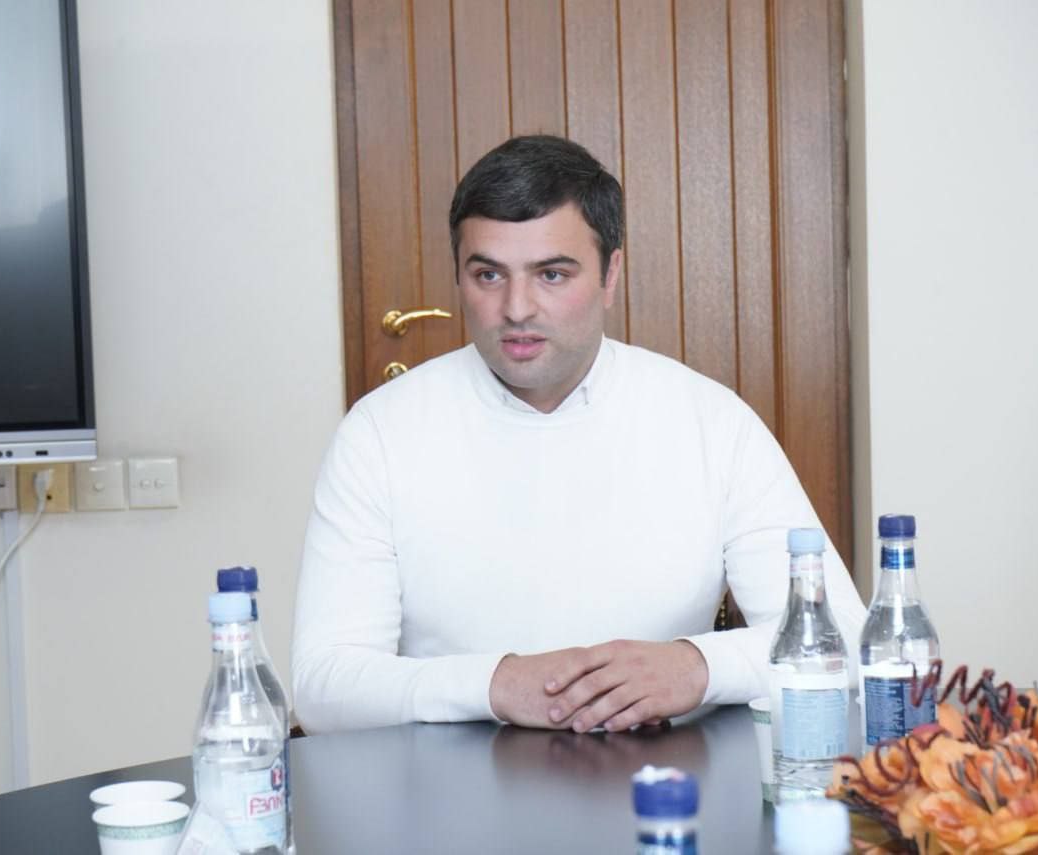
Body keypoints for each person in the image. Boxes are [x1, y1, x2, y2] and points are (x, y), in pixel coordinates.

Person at [291, 135, 866, 735]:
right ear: (458, 276)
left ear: (610, 274)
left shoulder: (712, 423)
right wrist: (495, 684)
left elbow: (844, 639)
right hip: (442, 779)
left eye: (552, 274)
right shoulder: (378, 434)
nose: (517, 308)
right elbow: (323, 686)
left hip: (664, 773)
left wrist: (696, 666)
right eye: (488, 274)